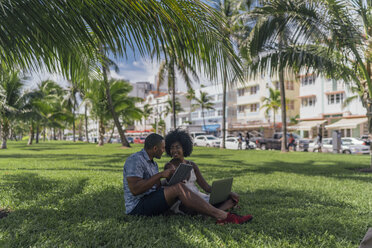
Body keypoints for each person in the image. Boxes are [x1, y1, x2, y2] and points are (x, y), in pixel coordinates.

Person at [123, 133, 253, 224]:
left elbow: (155, 187)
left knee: (180, 189)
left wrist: (164, 182)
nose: (165, 151)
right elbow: (135, 190)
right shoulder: (135, 160)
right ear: (155, 148)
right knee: (179, 188)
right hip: (137, 208)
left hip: (151, 200)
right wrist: (162, 175)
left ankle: (215, 213)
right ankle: (223, 216)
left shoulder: (153, 163)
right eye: (163, 148)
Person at [164, 129, 241, 213]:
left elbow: (207, 188)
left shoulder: (192, 165)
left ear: (184, 148)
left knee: (232, 199)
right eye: (172, 147)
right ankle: (216, 211)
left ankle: (211, 212)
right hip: (183, 200)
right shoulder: (169, 166)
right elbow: (173, 186)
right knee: (189, 207)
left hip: (198, 197)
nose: (174, 150)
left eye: (178, 147)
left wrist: (227, 193)